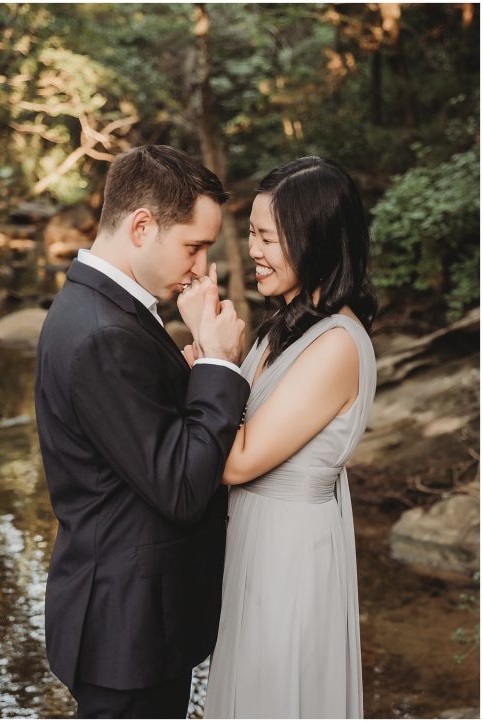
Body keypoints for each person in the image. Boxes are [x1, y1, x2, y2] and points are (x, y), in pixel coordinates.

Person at [34, 145, 250, 719]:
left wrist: (194, 362)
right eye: (193, 246)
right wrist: (218, 364)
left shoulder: (102, 309)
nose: (203, 266)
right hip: (126, 628)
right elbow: (180, 486)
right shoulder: (105, 332)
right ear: (141, 226)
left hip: (130, 616)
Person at [200, 157, 376, 718]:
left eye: (267, 236)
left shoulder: (337, 344)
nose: (251, 249)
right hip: (254, 537)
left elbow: (238, 457)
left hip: (289, 555)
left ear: (315, 239)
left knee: (276, 691)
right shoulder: (285, 327)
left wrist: (210, 358)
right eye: (251, 231)